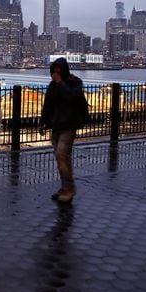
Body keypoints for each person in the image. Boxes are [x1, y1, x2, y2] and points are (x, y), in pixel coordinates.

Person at [39, 57, 86, 203]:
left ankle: (69, 189)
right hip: (56, 126)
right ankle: (65, 187)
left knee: (61, 155)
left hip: (69, 126)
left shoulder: (75, 82)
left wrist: (60, 83)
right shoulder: (52, 85)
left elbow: (72, 97)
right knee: (61, 159)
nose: (55, 73)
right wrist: (43, 122)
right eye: (53, 71)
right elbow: (48, 104)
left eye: (58, 70)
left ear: (64, 70)